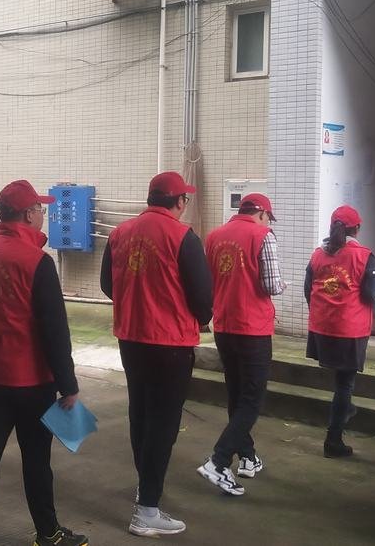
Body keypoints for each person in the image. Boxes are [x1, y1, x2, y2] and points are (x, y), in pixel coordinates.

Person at [0, 180, 88, 546]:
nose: (43, 215)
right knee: (36, 459)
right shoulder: (37, 262)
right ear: (29, 214)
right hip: (33, 380)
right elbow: (54, 330)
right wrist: (68, 385)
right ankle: (48, 533)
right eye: (40, 210)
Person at [100, 171, 213, 537]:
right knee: (164, 423)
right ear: (179, 201)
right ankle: (147, 509)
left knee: (141, 413)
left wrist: (137, 300)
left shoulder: (119, 233)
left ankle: (145, 487)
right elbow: (203, 299)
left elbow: (107, 284)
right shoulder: (182, 237)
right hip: (170, 343)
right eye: (185, 200)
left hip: (131, 338)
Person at [198, 193, 285, 496]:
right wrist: (283, 285)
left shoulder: (214, 236)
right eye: (267, 217)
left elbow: (209, 281)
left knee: (236, 393)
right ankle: (219, 461)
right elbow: (271, 284)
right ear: (262, 214)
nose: (267, 222)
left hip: (224, 326)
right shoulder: (263, 236)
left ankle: (247, 457)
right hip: (253, 328)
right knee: (252, 399)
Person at [305, 205, 375, 457]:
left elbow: (308, 289)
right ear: (357, 229)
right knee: (345, 385)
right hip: (349, 330)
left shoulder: (317, 255)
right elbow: (371, 293)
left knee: (341, 383)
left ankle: (344, 410)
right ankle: (333, 440)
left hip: (322, 328)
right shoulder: (363, 256)